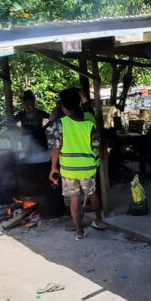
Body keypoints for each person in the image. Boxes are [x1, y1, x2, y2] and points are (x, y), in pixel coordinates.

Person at [50, 88, 106, 240]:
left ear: (63, 107)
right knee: (92, 194)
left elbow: (56, 148)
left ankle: (79, 232)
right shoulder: (89, 124)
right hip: (88, 168)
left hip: (69, 169)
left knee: (74, 199)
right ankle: (99, 221)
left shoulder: (59, 124)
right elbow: (96, 146)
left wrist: (53, 168)